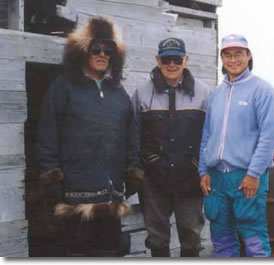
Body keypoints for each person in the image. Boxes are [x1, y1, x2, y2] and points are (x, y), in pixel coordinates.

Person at [36, 16, 142, 257]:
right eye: (96, 48)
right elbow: (47, 134)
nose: (103, 54)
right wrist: (51, 177)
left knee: (111, 252)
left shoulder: (119, 92)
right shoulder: (63, 87)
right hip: (76, 195)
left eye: (109, 49)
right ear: (83, 51)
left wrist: (133, 170)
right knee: (79, 254)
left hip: (112, 195)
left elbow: (131, 134)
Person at [199, 34, 274, 257]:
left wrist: (254, 173)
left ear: (248, 55)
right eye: (227, 54)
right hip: (217, 179)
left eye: (238, 54)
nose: (232, 59)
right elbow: (207, 135)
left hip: (246, 177)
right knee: (222, 239)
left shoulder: (263, 91)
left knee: (253, 237)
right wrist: (203, 170)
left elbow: (270, 135)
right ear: (221, 58)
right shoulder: (216, 94)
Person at [132, 37, 211, 257]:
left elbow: (211, 136)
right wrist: (141, 168)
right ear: (158, 61)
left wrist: (201, 166)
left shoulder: (204, 94)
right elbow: (132, 134)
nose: (172, 64)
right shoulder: (141, 94)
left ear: (186, 60)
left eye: (177, 59)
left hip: (190, 178)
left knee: (192, 237)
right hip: (154, 180)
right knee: (157, 239)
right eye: (166, 59)